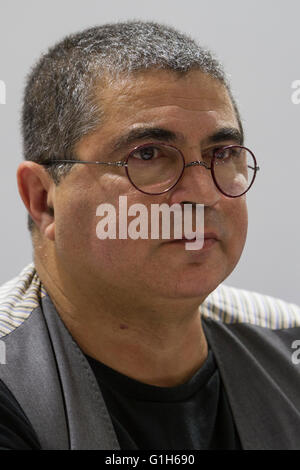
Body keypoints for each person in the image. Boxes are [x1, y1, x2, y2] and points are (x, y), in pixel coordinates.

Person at [0, 20, 299, 451]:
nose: (203, 192)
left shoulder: (289, 342)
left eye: (223, 153)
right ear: (44, 198)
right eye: (147, 155)